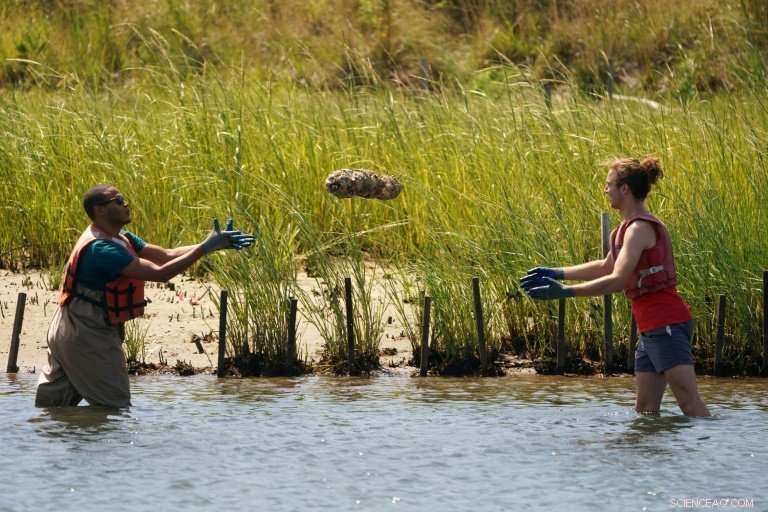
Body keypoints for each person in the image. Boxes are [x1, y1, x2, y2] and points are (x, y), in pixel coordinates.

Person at [35, 184, 255, 408]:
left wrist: (211, 244)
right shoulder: (101, 249)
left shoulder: (121, 238)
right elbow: (161, 273)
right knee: (114, 406)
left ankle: (42, 444)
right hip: (86, 334)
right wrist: (204, 249)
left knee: (54, 407)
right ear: (99, 210)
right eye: (118, 201)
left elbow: (166, 256)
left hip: (69, 329)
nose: (126, 204)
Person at [520, 157, 710, 417]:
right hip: (650, 329)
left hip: (666, 323)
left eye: (609, 184)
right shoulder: (623, 231)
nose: (604, 189)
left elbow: (618, 279)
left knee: (689, 404)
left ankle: (710, 452)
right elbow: (607, 266)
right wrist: (557, 272)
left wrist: (566, 292)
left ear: (625, 189)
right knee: (645, 411)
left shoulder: (640, 229)